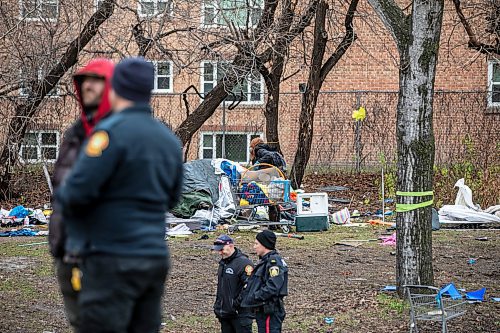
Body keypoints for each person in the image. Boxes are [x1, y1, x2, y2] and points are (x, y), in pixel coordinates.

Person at [57, 57, 183, 333]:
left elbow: (74, 193)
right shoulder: (169, 140)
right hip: (153, 257)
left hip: (112, 257)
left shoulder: (109, 134)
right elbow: (173, 198)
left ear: (115, 89)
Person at [48, 58, 115, 331]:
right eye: (84, 80)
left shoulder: (122, 133)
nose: (88, 85)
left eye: (96, 81)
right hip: (67, 250)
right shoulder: (74, 134)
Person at [241, 230, 288, 333]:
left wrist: (256, 296)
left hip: (269, 310)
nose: (254, 247)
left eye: (256, 244)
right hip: (262, 310)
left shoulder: (273, 262)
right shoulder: (265, 261)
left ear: (265, 245)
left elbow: (273, 286)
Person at [212, 234, 254, 333]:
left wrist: (235, 304)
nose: (220, 253)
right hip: (225, 314)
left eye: (222, 249)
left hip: (240, 315)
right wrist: (218, 306)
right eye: (219, 250)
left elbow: (250, 287)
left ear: (231, 246)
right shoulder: (224, 263)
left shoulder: (244, 263)